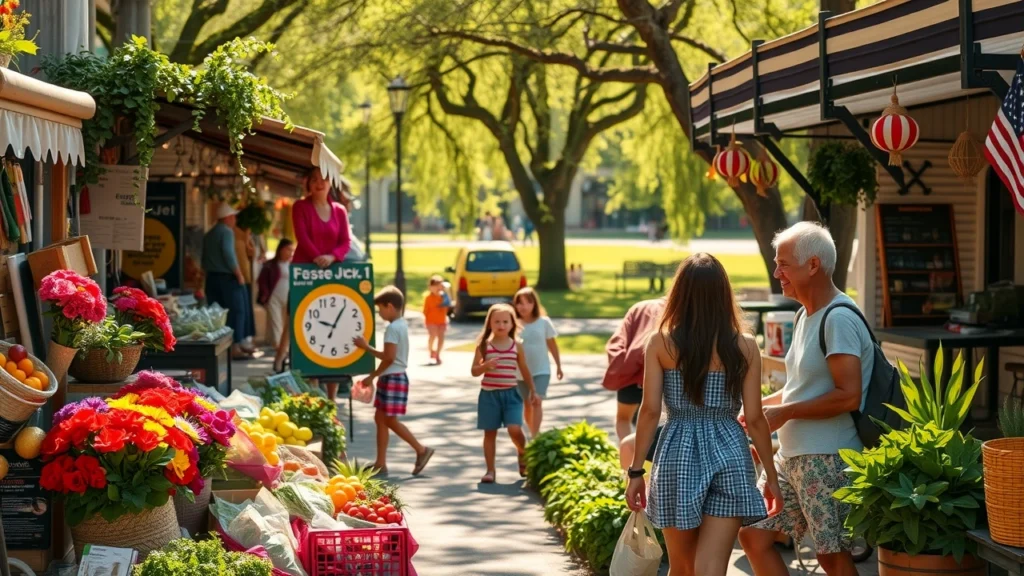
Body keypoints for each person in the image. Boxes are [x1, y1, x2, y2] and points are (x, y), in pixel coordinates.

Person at [625, 253, 782, 576]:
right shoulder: (746, 346)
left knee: (681, 568)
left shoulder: (661, 344)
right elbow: (754, 418)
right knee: (711, 568)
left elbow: (651, 411)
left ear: (679, 294)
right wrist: (772, 478)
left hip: (678, 453)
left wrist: (636, 472)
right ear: (724, 295)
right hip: (730, 451)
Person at [738, 221, 872, 576]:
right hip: (792, 457)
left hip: (827, 459)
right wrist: (759, 408)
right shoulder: (804, 315)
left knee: (831, 555)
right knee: (753, 534)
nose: (776, 271)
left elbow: (848, 395)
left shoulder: (838, 318)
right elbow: (801, 385)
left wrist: (785, 413)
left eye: (784, 263)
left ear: (813, 265)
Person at [280, 170, 352, 388]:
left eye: (324, 180)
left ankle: (332, 395)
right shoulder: (300, 207)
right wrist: (317, 258)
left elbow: (345, 241)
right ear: (308, 184)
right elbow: (301, 237)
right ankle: (311, 389)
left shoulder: (339, 210)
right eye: (314, 180)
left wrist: (332, 257)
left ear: (331, 183)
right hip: (305, 276)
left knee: (334, 330)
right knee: (307, 327)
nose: (319, 184)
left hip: (332, 276)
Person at [354, 286, 435, 476]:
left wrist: (367, 354)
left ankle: (421, 450)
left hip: (392, 377)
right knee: (380, 419)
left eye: (380, 309)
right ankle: (381, 463)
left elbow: (388, 357)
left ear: (389, 306)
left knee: (389, 419)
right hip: (393, 376)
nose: (380, 313)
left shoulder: (392, 328)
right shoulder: (401, 324)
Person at [470, 303, 540, 483]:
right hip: (488, 395)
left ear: (512, 324)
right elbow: (474, 371)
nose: (501, 325)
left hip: (511, 394)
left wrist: (533, 390)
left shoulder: (516, 345)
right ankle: (490, 470)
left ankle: (522, 453)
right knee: (489, 433)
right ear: (490, 324)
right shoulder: (484, 346)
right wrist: (485, 366)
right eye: (497, 322)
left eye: (505, 321)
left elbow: (524, 369)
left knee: (514, 428)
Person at [602, 297, 665, 441]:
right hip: (660, 373)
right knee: (657, 421)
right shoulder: (675, 309)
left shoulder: (638, 308)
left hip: (631, 371)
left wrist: (621, 366)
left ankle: (628, 456)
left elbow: (618, 339)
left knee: (623, 419)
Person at [202, 202, 252, 359]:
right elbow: (229, 254)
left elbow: (203, 258)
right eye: (234, 217)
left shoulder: (209, 234)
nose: (235, 220)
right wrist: (239, 274)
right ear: (228, 218)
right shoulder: (227, 232)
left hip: (211, 278)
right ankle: (235, 346)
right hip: (227, 278)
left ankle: (220, 347)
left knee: (217, 313)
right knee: (237, 311)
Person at [512, 287, 562, 438]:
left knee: (537, 400)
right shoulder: (514, 324)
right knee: (527, 403)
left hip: (541, 370)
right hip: (520, 373)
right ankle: (531, 431)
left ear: (534, 304)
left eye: (528, 302)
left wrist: (558, 365)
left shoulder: (544, 322)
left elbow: (552, 344)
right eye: (519, 303)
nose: (523, 306)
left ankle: (535, 435)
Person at [257, 239, 293, 367]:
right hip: (274, 298)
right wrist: (265, 295)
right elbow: (262, 281)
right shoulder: (270, 265)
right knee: (276, 324)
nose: (290, 252)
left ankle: (283, 352)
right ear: (281, 249)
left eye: (292, 250)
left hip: (289, 298)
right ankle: (280, 352)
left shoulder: (292, 264)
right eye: (288, 249)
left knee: (287, 326)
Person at [234, 224, 258, 354]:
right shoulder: (234, 235)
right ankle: (240, 341)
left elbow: (251, 253)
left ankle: (243, 339)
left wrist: (247, 238)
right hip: (239, 276)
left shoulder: (242, 236)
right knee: (240, 311)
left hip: (244, 276)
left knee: (244, 310)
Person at [423, 275, 450, 365]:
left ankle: (438, 354)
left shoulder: (444, 297)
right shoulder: (428, 298)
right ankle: (431, 351)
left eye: (440, 286)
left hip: (442, 320)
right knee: (432, 336)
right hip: (431, 321)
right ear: (430, 287)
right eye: (435, 286)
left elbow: (448, 306)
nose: (438, 288)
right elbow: (425, 311)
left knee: (441, 338)